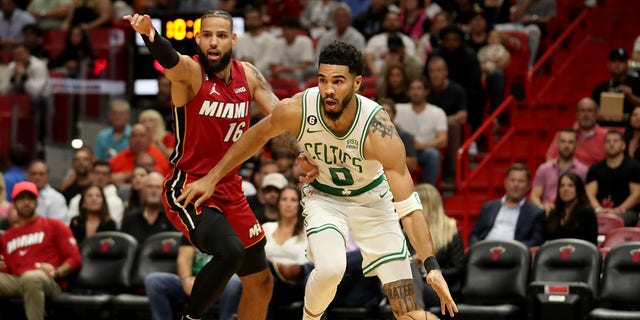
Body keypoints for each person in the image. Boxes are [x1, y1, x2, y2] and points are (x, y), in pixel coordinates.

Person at [178, 41, 457, 320]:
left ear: (357, 83)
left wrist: (432, 266)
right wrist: (212, 178)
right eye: (323, 80)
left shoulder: (378, 131)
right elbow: (255, 135)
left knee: (408, 311)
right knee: (330, 268)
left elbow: (408, 207)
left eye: (338, 81)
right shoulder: (299, 108)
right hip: (325, 197)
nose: (329, 90)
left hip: (374, 203)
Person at [124, 9, 282, 320]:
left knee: (261, 282)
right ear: (197, 38)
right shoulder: (190, 73)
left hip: (229, 188)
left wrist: (303, 153)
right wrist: (150, 35)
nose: (213, 42)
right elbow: (170, 59)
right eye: (207, 35)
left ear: (233, 39)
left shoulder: (248, 75)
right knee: (230, 252)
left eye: (221, 35)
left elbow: (279, 117)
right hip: (189, 186)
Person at [0, 181, 82, 320]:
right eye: (21, 198)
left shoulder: (54, 225)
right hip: (17, 280)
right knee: (26, 278)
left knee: (31, 277)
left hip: (48, 280)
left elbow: (74, 258)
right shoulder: (7, 236)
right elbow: (7, 270)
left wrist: (56, 272)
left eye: (30, 198)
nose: (26, 202)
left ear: (37, 201)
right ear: (14, 203)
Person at [411, 184, 464, 309]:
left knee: (404, 289)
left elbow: (458, 270)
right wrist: (414, 262)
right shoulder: (409, 230)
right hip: (415, 285)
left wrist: (427, 273)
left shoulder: (450, 230)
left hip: (442, 289)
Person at [468, 163, 545, 248]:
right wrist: (477, 248)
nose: (516, 185)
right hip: (485, 252)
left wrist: (514, 250)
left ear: (528, 186)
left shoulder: (536, 213)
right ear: (505, 183)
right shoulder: (488, 207)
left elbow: (536, 241)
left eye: (521, 181)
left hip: (513, 255)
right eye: (512, 180)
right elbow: (474, 235)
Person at [395, 78, 448, 184]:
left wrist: (422, 145)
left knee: (433, 154)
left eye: (419, 88)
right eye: (412, 89)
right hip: (401, 151)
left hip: (423, 151)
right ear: (408, 92)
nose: (415, 92)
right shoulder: (398, 109)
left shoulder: (437, 112)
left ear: (426, 91)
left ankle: (427, 191)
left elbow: (443, 140)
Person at [585, 129, 640, 227]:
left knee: (617, 220)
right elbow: (589, 194)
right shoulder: (595, 168)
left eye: (615, 141)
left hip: (626, 211)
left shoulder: (634, 166)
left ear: (623, 145)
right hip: (600, 211)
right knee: (585, 218)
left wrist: (617, 210)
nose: (611, 144)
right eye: (608, 141)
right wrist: (599, 210)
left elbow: (637, 195)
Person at [531, 127, 588, 215]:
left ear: (576, 145)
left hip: (574, 216)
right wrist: (542, 208)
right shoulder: (544, 169)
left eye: (570, 142)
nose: (566, 145)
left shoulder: (583, 171)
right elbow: (534, 195)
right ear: (557, 143)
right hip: (548, 214)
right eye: (563, 141)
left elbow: (586, 198)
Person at [546, 97, 607, 167]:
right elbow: (550, 159)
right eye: (582, 110)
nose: (586, 114)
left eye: (589, 111)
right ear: (576, 114)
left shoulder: (606, 136)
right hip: (566, 176)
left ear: (596, 114)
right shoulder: (563, 134)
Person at [120, 172, 176, 243]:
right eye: (150, 187)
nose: (154, 191)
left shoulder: (173, 219)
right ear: (143, 191)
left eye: (158, 187)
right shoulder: (131, 218)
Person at [545, 172, 598, 245]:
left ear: (578, 189)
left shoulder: (587, 213)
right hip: (555, 254)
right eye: (562, 186)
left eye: (570, 185)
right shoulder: (554, 213)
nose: (565, 189)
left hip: (580, 254)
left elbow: (591, 244)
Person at [591, 47, 640, 125]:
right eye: (614, 61)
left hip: (631, 129)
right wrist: (597, 114)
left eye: (621, 61)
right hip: (605, 129)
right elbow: (592, 109)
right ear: (608, 65)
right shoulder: (600, 88)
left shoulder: (637, 83)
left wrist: (631, 97)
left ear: (627, 65)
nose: (617, 65)